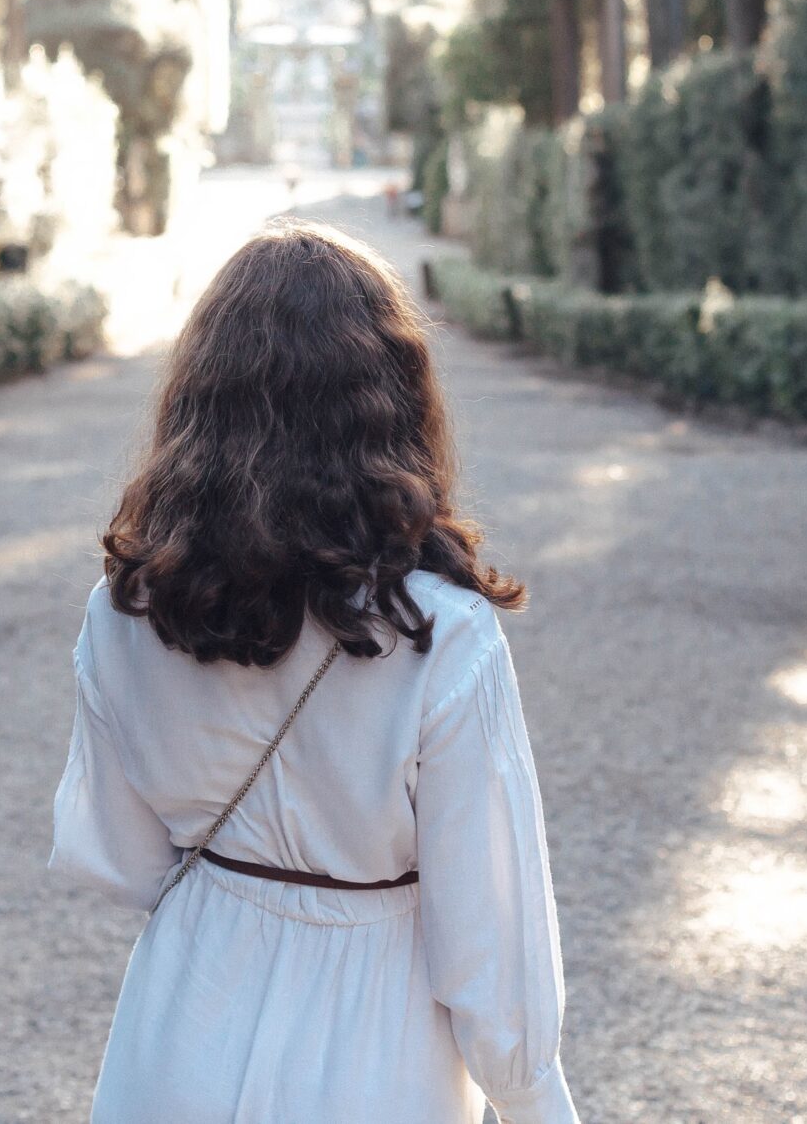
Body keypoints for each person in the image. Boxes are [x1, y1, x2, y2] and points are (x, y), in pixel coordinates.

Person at [51, 220, 578, 1124]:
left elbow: (124, 860)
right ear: (394, 399)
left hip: (180, 1024)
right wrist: (535, 1103)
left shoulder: (130, 608)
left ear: (199, 399)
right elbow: (492, 938)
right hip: (377, 1052)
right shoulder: (441, 634)